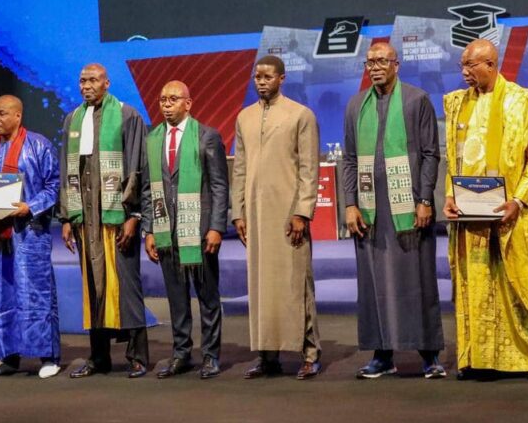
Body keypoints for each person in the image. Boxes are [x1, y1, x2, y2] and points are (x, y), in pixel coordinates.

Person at [442, 39, 528, 380]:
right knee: (476, 284)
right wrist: (449, 195)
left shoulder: (522, 102)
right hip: (470, 214)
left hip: (511, 213)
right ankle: (478, 359)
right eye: (462, 65)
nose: (464, 72)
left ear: (491, 65)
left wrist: (518, 200)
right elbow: (454, 159)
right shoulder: (457, 104)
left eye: (471, 65)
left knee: (517, 283)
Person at [342, 42, 445, 379]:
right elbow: (350, 160)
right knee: (373, 284)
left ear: (396, 65)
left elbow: (430, 154)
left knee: (418, 280)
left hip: (409, 209)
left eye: (381, 61)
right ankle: (382, 355)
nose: (375, 67)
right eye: (370, 62)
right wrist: (350, 204)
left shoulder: (417, 100)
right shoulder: (356, 106)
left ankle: (429, 355)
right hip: (371, 211)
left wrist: (425, 199)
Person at [232, 55, 322, 380]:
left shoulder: (301, 115)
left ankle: (310, 354)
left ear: (281, 79)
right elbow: (239, 169)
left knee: (297, 284)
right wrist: (238, 212)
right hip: (256, 217)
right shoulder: (244, 117)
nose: (261, 82)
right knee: (261, 286)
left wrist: (302, 212)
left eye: (267, 76)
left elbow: (309, 169)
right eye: (257, 77)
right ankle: (267, 355)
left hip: (288, 215)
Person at [59, 64, 151, 379]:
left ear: (107, 83)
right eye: (82, 81)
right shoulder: (73, 119)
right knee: (93, 288)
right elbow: (66, 170)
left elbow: (139, 168)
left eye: (93, 80)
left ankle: (137, 356)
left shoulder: (127, 115)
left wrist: (134, 215)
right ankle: (99, 357)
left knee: (126, 286)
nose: (86, 86)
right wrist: (67, 216)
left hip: (117, 217)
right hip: (86, 220)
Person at [0, 95, 61, 379]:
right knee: (1, 295)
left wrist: (29, 206)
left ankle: (49, 357)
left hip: (29, 235)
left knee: (36, 294)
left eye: (2, 114)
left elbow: (55, 185)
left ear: (18, 116)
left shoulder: (38, 145)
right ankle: (8, 357)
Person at [143, 81, 228, 380]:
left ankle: (210, 355)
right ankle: (181, 354)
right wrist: (149, 230)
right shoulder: (152, 139)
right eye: (162, 99)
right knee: (176, 299)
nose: (166, 105)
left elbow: (219, 185)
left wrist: (217, 227)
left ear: (188, 104)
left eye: (173, 99)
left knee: (207, 298)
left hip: (200, 231)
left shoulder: (207, 136)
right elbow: (147, 188)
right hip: (166, 230)